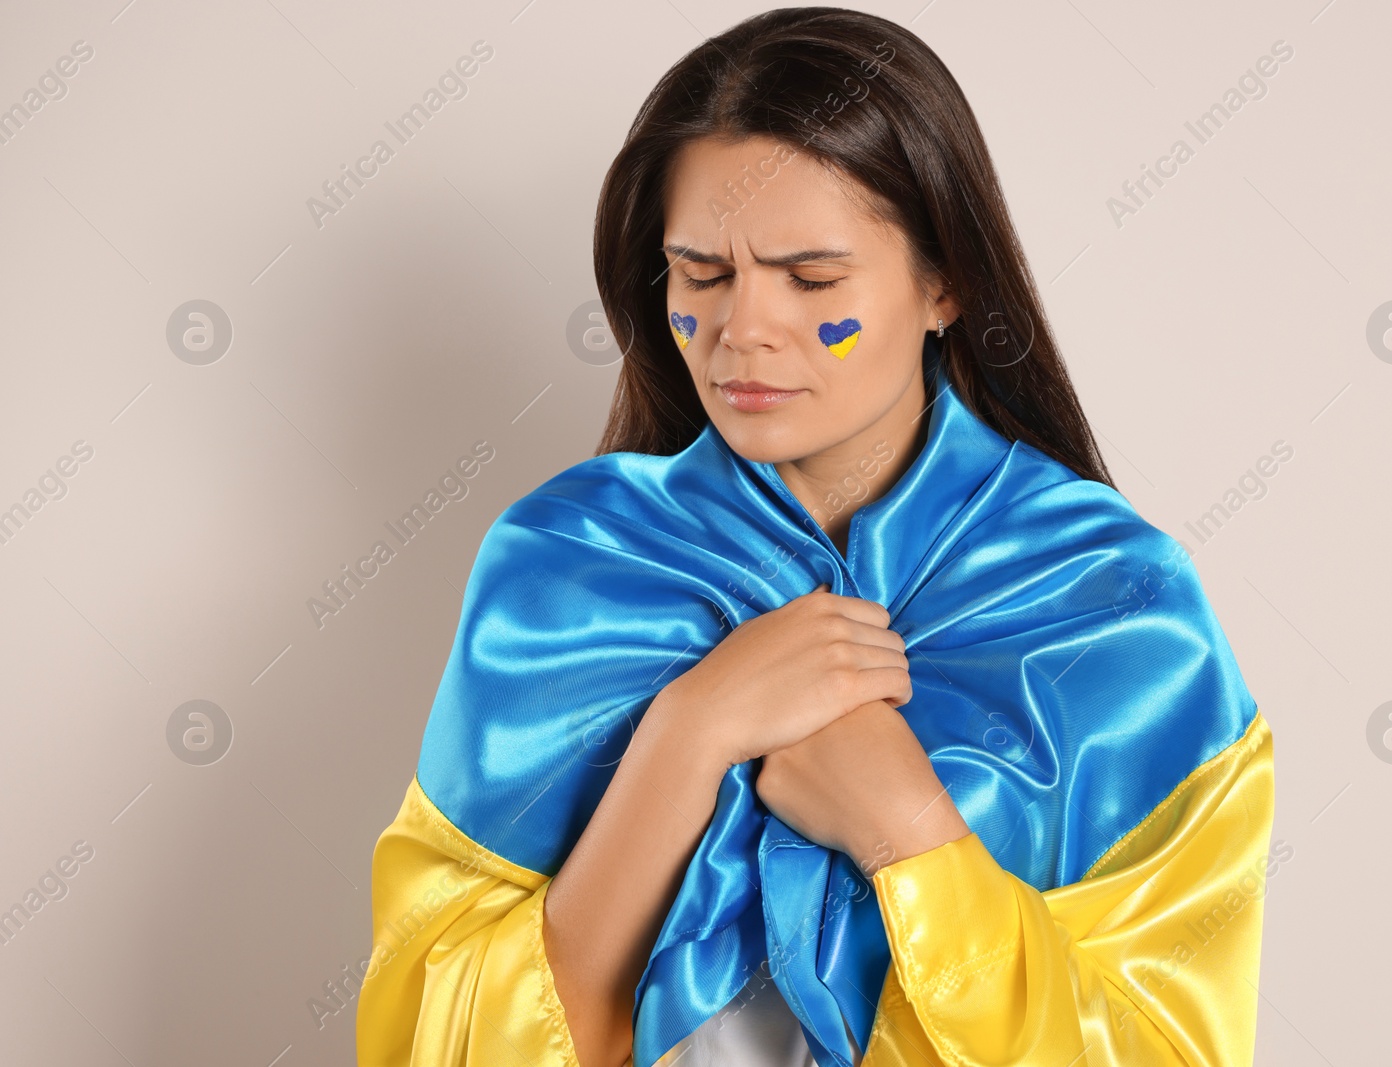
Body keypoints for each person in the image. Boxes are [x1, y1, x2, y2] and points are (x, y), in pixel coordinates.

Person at [356, 8, 1275, 1066]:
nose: (744, 327)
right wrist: (687, 735)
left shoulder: (1122, 612)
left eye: (811, 278)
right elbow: (434, 1041)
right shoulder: (564, 572)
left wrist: (908, 831)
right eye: (701, 273)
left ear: (946, 282)